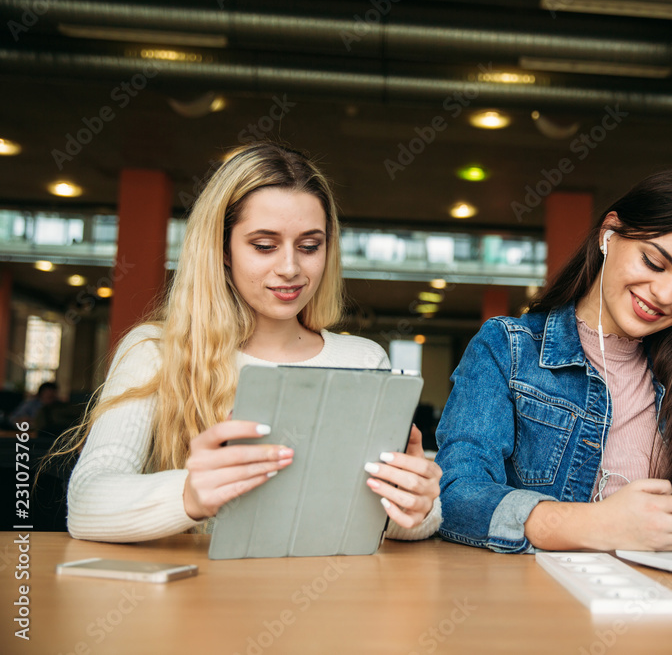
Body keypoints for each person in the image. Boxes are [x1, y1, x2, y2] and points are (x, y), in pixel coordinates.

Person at [58, 142, 442, 543]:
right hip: (198, 601)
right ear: (223, 249)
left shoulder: (363, 359)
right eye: (264, 246)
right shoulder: (154, 351)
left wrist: (418, 503)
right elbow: (87, 503)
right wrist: (189, 494)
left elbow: (388, 523)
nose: (291, 268)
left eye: (310, 246)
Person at [434, 170, 672, 553]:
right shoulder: (510, 349)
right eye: (654, 262)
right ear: (609, 234)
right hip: (547, 600)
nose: (665, 295)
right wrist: (599, 524)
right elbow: (456, 497)